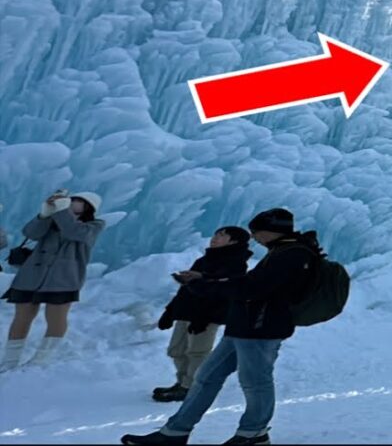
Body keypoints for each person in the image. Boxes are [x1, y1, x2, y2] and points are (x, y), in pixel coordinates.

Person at [122, 208, 321, 446]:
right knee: (206, 377)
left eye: (256, 231)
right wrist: (206, 283)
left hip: (261, 329)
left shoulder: (292, 254)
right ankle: (174, 433)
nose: (254, 237)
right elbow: (249, 285)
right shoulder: (283, 251)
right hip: (244, 327)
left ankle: (254, 434)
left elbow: (252, 288)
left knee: (256, 382)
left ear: (271, 231)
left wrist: (204, 285)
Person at [1, 189, 105, 371]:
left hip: (63, 277)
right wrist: (44, 214)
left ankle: (41, 359)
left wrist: (62, 211)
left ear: (88, 207)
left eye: (78, 201)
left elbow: (74, 232)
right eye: (72, 199)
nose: (73, 203)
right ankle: (9, 361)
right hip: (32, 275)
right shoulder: (54, 220)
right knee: (22, 316)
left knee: (55, 317)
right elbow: (30, 233)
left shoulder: (94, 225)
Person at [153, 226, 252, 402]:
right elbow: (188, 289)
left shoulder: (235, 263)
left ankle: (191, 387)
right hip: (187, 312)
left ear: (234, 241)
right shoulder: (203, 260)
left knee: (197, 352)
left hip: (207, 316)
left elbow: (220, 291)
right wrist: (170, 311)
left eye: (222, 235)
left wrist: (199, 281)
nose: (215, 237)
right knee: (176, 350)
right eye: (216, 234)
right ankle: (182, 382)